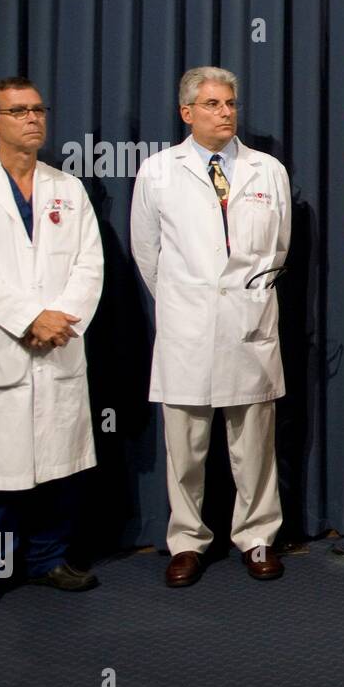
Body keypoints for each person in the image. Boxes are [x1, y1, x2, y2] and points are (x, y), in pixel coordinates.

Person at [0, 76, 105, 611]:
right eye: (18, 112)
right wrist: (30, 317)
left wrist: (60, 320)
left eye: (38, 109)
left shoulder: (68, 188)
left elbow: (89, 264)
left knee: (59, 463)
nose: (33, 119)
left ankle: (50, 558)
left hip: (58, 342)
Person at [130, 66, 292, 587]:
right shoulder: (157, 172)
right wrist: (190, 301)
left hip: (249, 324)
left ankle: (258, 536)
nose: (225, 113)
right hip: (187, 326)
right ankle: (187, 541)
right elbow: (147, 253)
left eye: (230, 104)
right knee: (186, 445)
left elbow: (279, 248)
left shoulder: (267, 170)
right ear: (187, 113)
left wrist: (241, 300)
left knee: (254, 444)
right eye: (213, 104)